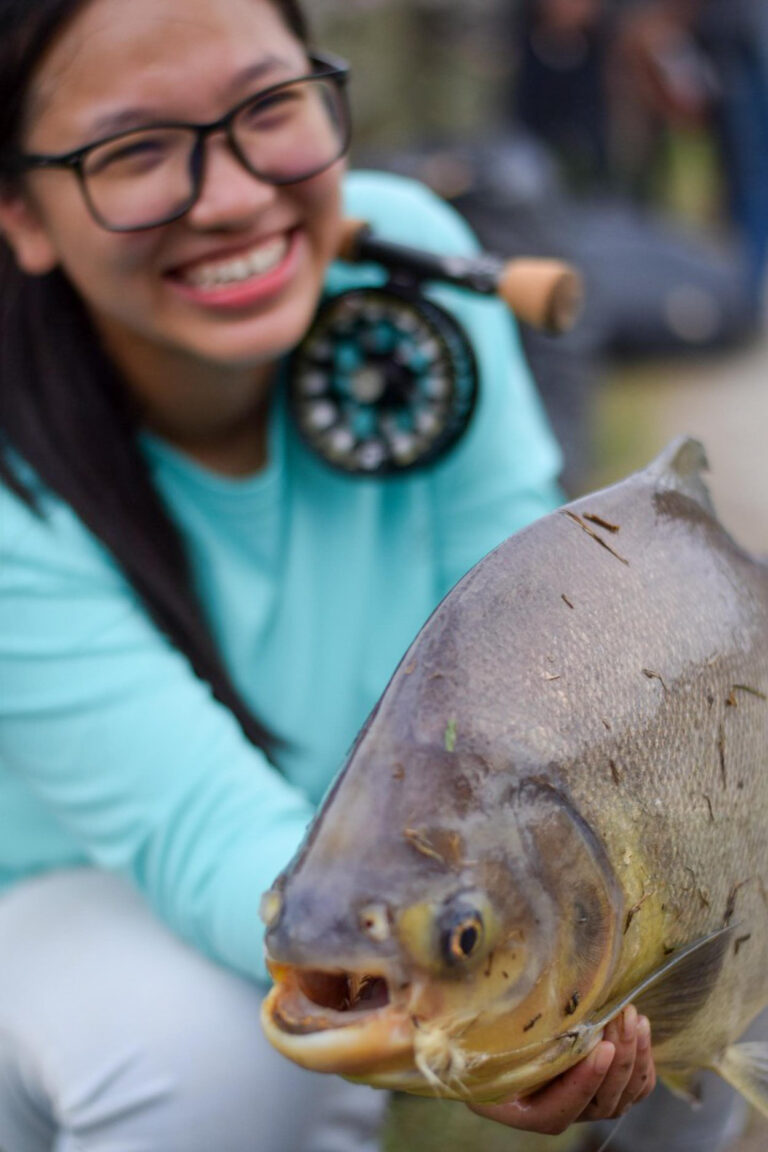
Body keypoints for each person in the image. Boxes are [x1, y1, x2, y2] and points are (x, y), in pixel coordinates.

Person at [0, 0, 657, 1148]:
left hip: (320, 881)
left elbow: (520, 663)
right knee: (194, 1057)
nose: (238, 196)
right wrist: (467, 995)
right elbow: (194, 823)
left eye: (270, 107)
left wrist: (555, 957)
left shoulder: (409, 252)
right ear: (21, 212)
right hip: (54, 899)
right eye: (136, 151)